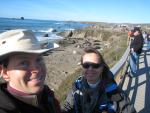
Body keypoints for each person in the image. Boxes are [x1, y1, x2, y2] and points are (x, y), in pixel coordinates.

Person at [0, 29, 61, 113]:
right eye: (24, 63)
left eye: (39, 59)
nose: (37, 69)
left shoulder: (47, 95)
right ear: (5, 73)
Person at [62, 47, 136, 113]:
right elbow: (68, 107)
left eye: (95, 65)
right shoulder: (76, 87)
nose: (90, 69)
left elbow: (127, 109)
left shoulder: (114, 92)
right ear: (82, 67)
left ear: (102, 68)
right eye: (86, 65)